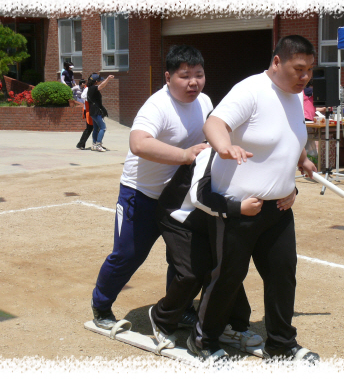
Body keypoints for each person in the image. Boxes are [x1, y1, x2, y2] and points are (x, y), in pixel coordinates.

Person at [185, 35, 320, 363]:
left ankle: (281, 344)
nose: (305, 77)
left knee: (282, 275)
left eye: (310, 70)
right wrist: (223, 146)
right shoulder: (252, 90)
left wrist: (300, 159)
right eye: (298, 68)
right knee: (229, 277)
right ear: (277, 62)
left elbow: (286, 135)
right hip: (237, 209)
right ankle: (203, 340)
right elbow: (215, 122)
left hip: (279, 208)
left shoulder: (294, 96)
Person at [91, 45, 212, 332]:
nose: (193, 82)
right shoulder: (157, 106)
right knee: (128, 255)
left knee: (184, 259)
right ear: (168, 77)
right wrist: (184, 155)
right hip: (141, 194)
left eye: (199, 74)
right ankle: (101, 305)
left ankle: (179, 307)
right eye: (185, 76)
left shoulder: (205, 102)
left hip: (180, 197)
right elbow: (139, 143)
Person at [148, 146, 263, 353]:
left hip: (212, 220)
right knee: (193, 274)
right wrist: (238, 208)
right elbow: (198, 197)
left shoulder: (251, 150)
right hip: (179, 218)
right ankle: (161, 318)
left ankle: (232, 325)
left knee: (226, 270)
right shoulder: (209, 153)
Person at [87, 73, 114, 152]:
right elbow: (102, 86)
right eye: (99, 80)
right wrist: (108, 78)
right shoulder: (93, 88)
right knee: (103, 128)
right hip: (96, 111)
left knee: (96, 128)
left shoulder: (90, 88)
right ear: (96, 81)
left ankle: (94, 144)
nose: (100, 81)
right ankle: (98, 145)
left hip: (93, 111)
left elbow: (101, 85)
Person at [76, 81, 93, 150]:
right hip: (88, 110)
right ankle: (81, 144)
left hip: (89, 110)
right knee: (89, 128)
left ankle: (81, 144)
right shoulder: (88, 89)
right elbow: (83, 96)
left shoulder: (88, 88)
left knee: (91, 128)